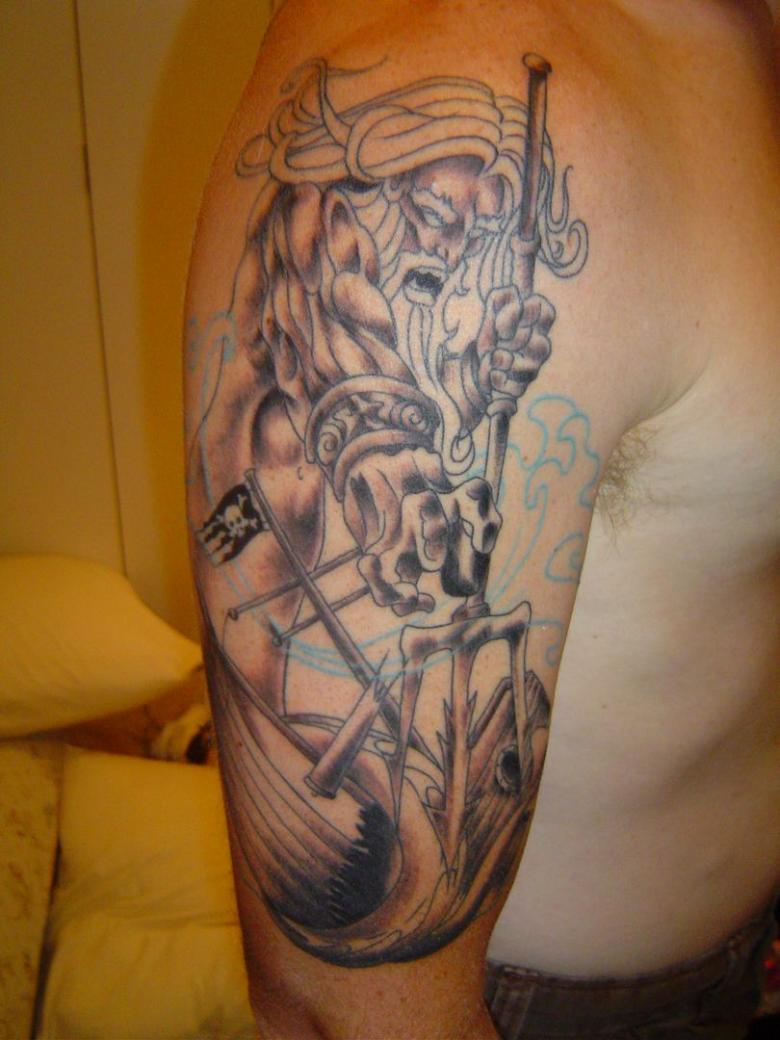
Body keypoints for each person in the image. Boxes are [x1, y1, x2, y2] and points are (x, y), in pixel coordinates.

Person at [184, 1, 780, 1036]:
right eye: (436, 219)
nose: (454, 241)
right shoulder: (455, 53)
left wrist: (479, 387)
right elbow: (340, 1009)